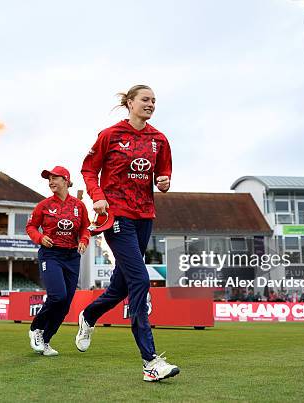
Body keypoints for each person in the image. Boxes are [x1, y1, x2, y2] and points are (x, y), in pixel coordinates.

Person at [74, 85, 179, 381]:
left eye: (154, 101)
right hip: (116, 215)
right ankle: (150, 363)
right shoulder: (110, 135)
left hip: (145, 215)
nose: (151, 104)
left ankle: (89, 315)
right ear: (130, 103)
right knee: (139, 279)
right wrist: (97, 195)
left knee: (121, 287)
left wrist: (164, 181)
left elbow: (164, 171)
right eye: (145, 100)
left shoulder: (159, 139)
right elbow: (87, 170)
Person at [26, 166, 90, 356]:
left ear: (66, 180)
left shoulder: (79, 206)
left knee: (65, 304)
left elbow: (85, 227)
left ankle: (46, 340)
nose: (51, 182)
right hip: (50, 254)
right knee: (58, 296)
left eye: (55, 178)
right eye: (49, 179)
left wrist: (84, 240)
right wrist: (40, 238)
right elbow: (31, 227)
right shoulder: (43, 205)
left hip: (72, 257)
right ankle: (36, 329)